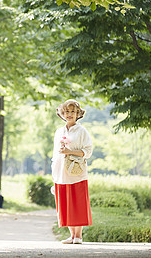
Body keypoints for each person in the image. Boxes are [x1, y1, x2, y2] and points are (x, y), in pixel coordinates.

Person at [51, 99, 93, 244]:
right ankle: (71, 235)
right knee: (64, 204)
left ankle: (78, 236)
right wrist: (54, 173)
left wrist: (70, 152)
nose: (69, 114)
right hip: (61, 173)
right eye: (67, 112)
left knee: (77, 202)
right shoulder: (59, 132)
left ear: (78, 114)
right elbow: (55, 154)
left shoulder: (82, 131)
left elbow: (88, 151)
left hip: (76, 173)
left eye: (72, 112)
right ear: (62, 114)